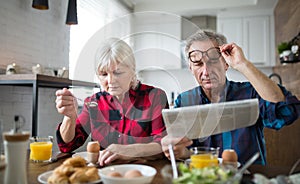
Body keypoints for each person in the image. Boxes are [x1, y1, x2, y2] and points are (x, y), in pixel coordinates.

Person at [161, 29, 300, 165]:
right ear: (191, 68)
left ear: (226, 63)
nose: (206, 71)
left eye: (213, 61)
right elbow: (185, 151)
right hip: (203, 176)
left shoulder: (250, 93)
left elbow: (286, 111)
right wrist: (178, 151)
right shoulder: (184, 102)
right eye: (198, 64)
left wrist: (242, 64)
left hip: (246, 177)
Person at [55, 38, 168, 166]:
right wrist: (69, 117)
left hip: (143, 172)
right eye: (103, 74)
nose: (110, 81)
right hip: (104, 174)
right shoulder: (93, 103)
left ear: (132, 71)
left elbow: (163, 146)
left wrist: (126, 151)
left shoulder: (155, 96)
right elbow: (67, 146)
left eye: (118, 72)